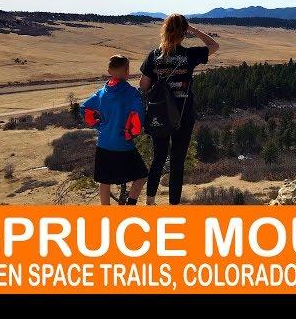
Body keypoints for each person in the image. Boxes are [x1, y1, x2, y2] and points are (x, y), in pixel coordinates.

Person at [140, 14, 219, 205]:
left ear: (165, 31)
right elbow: (214, 46)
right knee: (177, 162)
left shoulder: (154, 56)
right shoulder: (189, 55)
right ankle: (174, 205)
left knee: (158, 159)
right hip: (184, 114)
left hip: (160, 114)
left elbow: (143, 85)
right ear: (183, 33)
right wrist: (193, 30)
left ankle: (150, 202)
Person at [80, 54, 148, 205]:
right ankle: (130, 206)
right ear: (127, 71)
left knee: (104, 182)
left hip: (104, 143)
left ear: (109, 71)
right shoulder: (132, 93)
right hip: (124, 144)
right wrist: (132, 133)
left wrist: (99, 125)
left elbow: (84, 108)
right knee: (141, 176)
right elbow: (138, 118)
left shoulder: (101, 93)